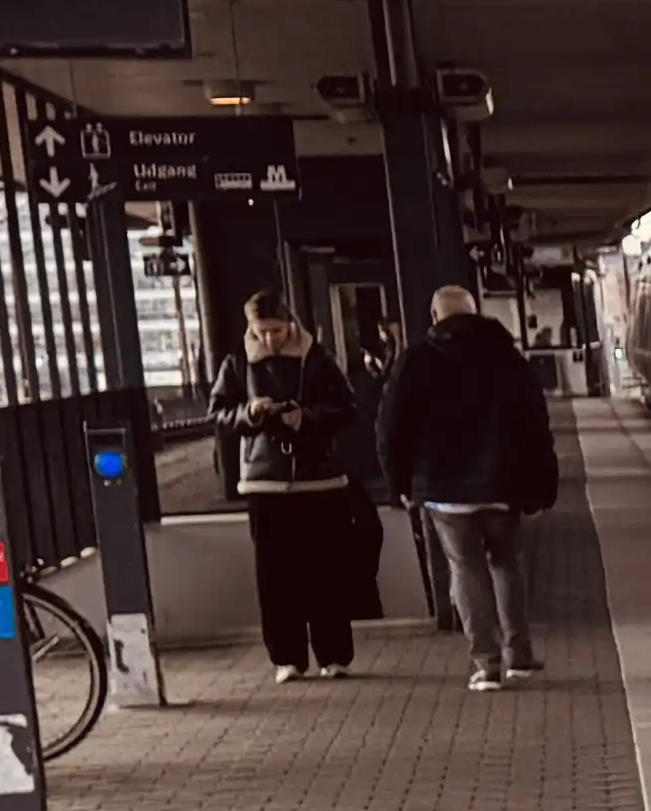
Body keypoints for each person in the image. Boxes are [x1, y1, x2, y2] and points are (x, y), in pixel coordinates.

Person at [377, 285, 558, 687]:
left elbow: (390, 429)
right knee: (506, 564)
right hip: (502, 485)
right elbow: (535, 426)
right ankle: (520, 656)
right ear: (475, 314)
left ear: (435, 316)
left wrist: (400, 483)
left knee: (465, 570)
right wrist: (542, 486)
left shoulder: (415, 361)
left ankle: (487, 664)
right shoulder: (507, 358)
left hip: (444, 492)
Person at [216, 296, 367, 679]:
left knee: (327, 572)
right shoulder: (237, 361)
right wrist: (249, 413)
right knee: (274, 576)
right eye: (261, 332)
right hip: (264, 481)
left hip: (320, 479)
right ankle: (287, 658)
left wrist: (307, 417)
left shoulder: (318, 358)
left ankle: (334, 655)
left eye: (276, 332)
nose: (269, 341)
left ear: (291, 325)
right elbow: (218, 413)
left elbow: (348, 407)